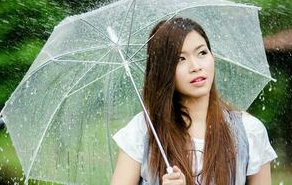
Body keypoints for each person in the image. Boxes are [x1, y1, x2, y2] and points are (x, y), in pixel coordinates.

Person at [110, 17, 277, 185]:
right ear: (163, 70)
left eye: (202, 53)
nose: (196, 66)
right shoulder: (142, 132)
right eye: (180, 59)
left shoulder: (248, 132)